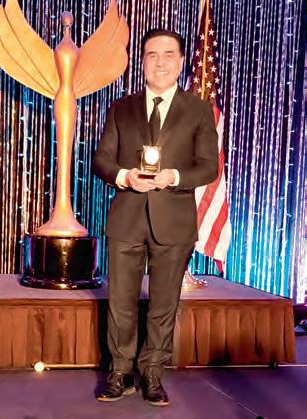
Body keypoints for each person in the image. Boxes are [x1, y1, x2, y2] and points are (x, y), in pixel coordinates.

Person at [93, 28, 218, 407]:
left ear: (181, 62)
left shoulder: (198, 110)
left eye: (168, 55)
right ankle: (119, 372)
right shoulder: (121, 108)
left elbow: (208, 167)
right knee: (120, 302)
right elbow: (102, 160)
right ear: (142, 62)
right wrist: (124, 176)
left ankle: (152, 373)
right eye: (152, 55)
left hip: (174, 221)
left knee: (164, 304)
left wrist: (174, 177)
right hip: (127, 218)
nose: (160, 62)